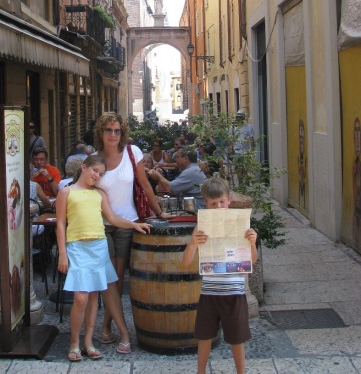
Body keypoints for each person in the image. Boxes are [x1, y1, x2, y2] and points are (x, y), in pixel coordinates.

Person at [56, 155, 152, 361]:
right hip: (77, 247)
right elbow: (60, 224)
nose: (96, 176)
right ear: (84, 167)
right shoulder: (66, 192)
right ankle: (74, 342)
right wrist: (62, 253)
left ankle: (88, 342)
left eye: (100, 174)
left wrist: (134, 225)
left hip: (98, 247)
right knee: (81, 297)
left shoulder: (99, 194)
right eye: (94, 171)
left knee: (93, 297)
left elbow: (113, 218)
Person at [93, 112, 170, 344]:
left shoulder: (131, 152)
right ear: (101, 133)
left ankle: (108, 324)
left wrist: (158, 212)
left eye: (117, 130)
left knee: (117, 277)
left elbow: (145, 184)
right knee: (107, 278)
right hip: (102, 224)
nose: (113, 135)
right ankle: (115, 325)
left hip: (128, 223)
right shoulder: (94, 159)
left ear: (122, 132)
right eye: (109, 130)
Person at [182, 177, 258, 374]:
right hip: (210, 293)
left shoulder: (242, 226)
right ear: (206, 205)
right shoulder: (201, 227)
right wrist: (192, 243)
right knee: (204, 337)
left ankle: (241, 372)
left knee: (237, 338)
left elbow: (252, 261)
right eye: (213, 203)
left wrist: (251, 242)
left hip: (234, 292)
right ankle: (201, 371)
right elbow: (186, 262)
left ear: (229, 201)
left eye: (222, 202)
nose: (218, 207)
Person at [148, 145, 207, 210]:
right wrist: (160, 176)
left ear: (185, 158)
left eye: (177, 157)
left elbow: (170, 189)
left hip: (195, 213)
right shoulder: (193, 169)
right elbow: (163, 192)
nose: (175, 159)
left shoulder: (191, 172)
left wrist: (159, 176)